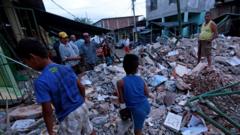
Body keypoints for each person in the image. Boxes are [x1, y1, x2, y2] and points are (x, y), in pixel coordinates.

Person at [16, 38, 95, 135]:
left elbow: (47, 110)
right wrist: (81, 103)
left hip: (68, 115)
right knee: (89, 130)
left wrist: (50, 131)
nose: (27, 65)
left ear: (33, 58)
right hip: (82, 106)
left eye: (26, 61)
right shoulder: (65, 68)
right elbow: (81, 87)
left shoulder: (41, 81)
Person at [117, 54, 151, 135]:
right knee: (138, 125)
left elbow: (121, 101)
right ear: (136, 68)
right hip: (146, 106)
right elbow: (147, 94)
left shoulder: (120, 82)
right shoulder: (140, 79)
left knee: (137, 132)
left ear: (124, 67)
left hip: (137, 111)